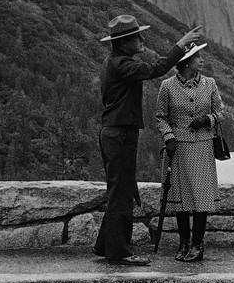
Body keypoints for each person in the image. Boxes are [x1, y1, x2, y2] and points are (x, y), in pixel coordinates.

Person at [93, 14, 202, 266]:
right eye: (137, 37)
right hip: (119, 134)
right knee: (122, 193)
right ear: (124, 42)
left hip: (115, 132)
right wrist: (182, 43)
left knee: (119, 190)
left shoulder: (115, 62)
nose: (142, 39)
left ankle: (104, 245)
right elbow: (157, 69)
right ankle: (119, 252)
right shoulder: (122, 64)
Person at [156, 41, 226, 262]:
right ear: (186, 63)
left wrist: (208, 119)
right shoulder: (167, 86)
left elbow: (221, 112)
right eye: (197, 57)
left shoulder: (210, 84)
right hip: (178, 147)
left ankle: (197, 244)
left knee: (201, 197)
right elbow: (160, 117)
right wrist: (168, 137)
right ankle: (183, 242)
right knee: (181, 198)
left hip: (203, 145)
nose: (202, 60)